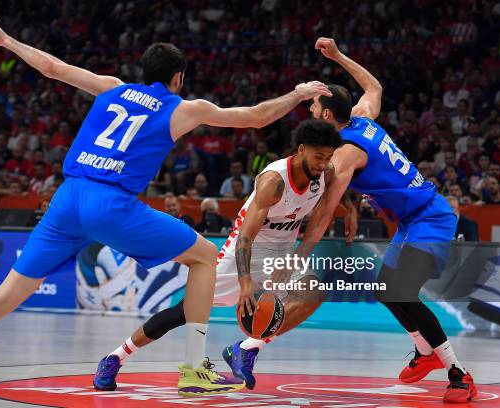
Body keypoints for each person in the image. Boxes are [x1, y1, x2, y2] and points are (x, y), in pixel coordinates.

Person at [0, 14, 333, 405]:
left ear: (143, 72)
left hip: (67, 198)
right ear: (178, 78)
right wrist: (296, 93)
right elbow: (255, 117)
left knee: (5, 295)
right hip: (112, 204)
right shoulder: (182, 108)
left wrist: (8, 42)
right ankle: (195, 370)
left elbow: (52, 67)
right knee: (202, 256)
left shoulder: (113, 87)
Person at [96, 120, 349, 391]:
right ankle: (116, 357)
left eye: (328, 157)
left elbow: (334, 196)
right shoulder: (273, 182)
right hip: (243, 252)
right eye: (318, 156)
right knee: (184, 312)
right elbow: (246, 237)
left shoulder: (325, 173)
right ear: (301, 150)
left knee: (312, 293)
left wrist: (350, 211)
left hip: (281, 253)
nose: (322, 163)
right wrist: (245, 284)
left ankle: (246, 350)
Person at [292, 37, 477, 403]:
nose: (310, 109)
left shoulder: (346, 152)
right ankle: (425, 354)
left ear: (328, 115)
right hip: (412, 222)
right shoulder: (362, 118)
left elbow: (326, 207)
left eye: (314, 105)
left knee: (400, 291)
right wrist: (339, 55)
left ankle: (459, 374)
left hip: (432, 217)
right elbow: (373, 86)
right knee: (385, 290)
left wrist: (302, 252)